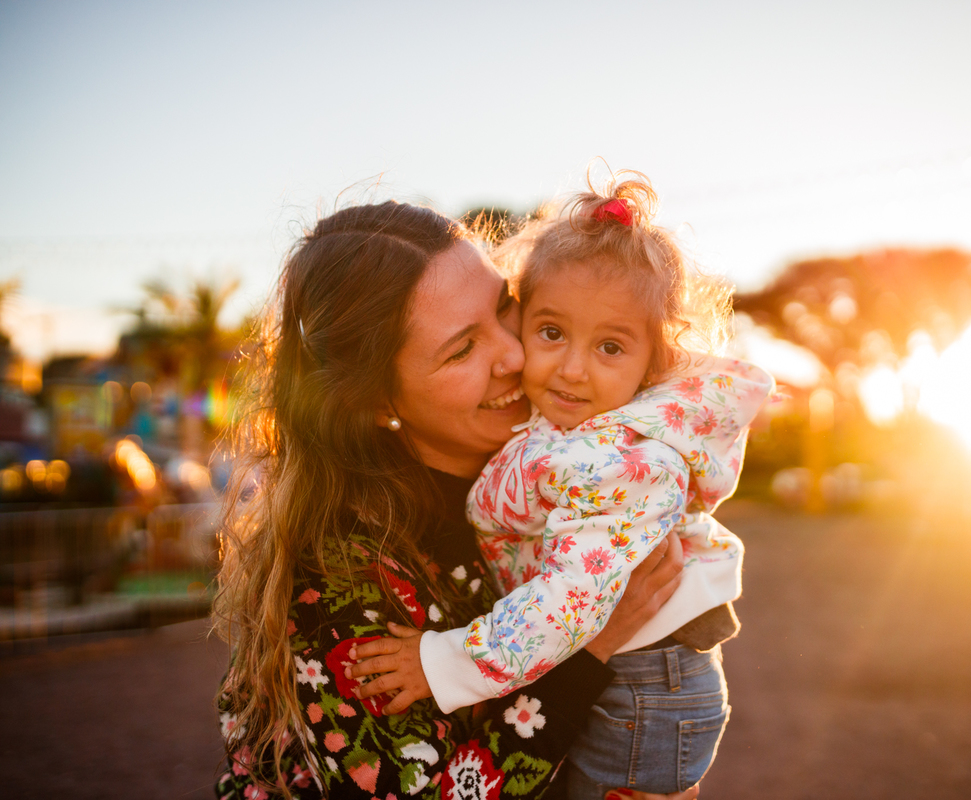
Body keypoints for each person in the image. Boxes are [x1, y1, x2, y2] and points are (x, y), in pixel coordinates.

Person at [210, 200, 689, 800]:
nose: (514, 355)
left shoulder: (559, 473)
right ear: (377, 402)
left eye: (502, 307)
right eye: (461, 350)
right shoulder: (341, 575)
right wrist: (591, 644)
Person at [346, 173, 774, 799]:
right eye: (550, 332)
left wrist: (439, 664)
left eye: (609, 346)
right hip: (622, 673)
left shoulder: (625, 460)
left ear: (654, 361)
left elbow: (570, 603)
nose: (571, 369)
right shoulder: (571, 426)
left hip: (644, 687)